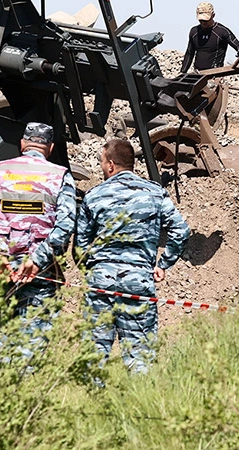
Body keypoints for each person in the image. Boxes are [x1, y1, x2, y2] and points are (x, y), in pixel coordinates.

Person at [77, 138, 190, 374]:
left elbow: (80, 245)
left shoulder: (94, 195)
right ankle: (137, 407)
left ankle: (92, 402)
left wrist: (94, 269)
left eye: (101, 162)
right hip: (138, 280)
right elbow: (181, 230)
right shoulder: (155, 193)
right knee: (140, 356)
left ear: (110, 165)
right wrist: (163, 263)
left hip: (100, 282)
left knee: (94, 354)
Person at [0, 122, 76, 357]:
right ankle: (24, 387)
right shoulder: (60, 177)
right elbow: (66, 225)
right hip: (39, 272)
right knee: (33, 343)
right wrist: (38, 259)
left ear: (22, 144)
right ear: (50, 147)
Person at [179, 1, 239, 74]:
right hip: (198, 74)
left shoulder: (221, 31)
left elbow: (238, 44)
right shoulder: (194, 31)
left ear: (213, 15)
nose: (203, 23)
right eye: (201, 20)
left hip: (215, 74)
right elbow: (189, 53)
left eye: (206, 21)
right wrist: (182, 72)